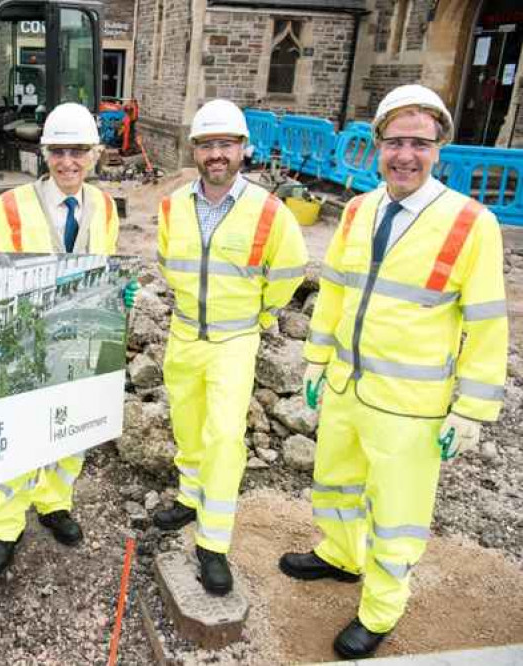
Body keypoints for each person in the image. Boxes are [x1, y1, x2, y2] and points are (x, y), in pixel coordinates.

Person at [280, 84, 508, 660]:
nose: (405, 154)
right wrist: (316, 358)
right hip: (347, 387)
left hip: (410, 406)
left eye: (419, 143)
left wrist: (472, 410)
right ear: (376, 145)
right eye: (394, 141)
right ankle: (339, 554)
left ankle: (380, 608)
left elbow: (486, 324)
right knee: (335, 483)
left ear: (440, 151)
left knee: (397, 514)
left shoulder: (469, 223)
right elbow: (334, 291)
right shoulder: (358, 210)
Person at [153, 99, 307, 595]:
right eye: (207, 145)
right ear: (194, 150)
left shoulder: (268, 210)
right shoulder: (174, 205)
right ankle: (188, 495)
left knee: (223, 437)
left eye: (226, 144)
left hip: (234, 340)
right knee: (188, 424)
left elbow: (287, 275)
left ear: (243, 149)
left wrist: (258, 315)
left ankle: (213, 542)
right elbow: (165, 260)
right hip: (183, 334)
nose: (216, 154)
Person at [0, 102, 122, 575]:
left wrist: (120, 290)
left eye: (78, 152)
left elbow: (106, 264)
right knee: (20, 437)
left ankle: (54, 502)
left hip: (80, 340)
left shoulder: (102, 205)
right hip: (27, 341)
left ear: (95, 154)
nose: (68, 163)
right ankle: (5, 526)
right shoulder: (11, 208)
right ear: (44, 154)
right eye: (59, 152)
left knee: (70, 431)